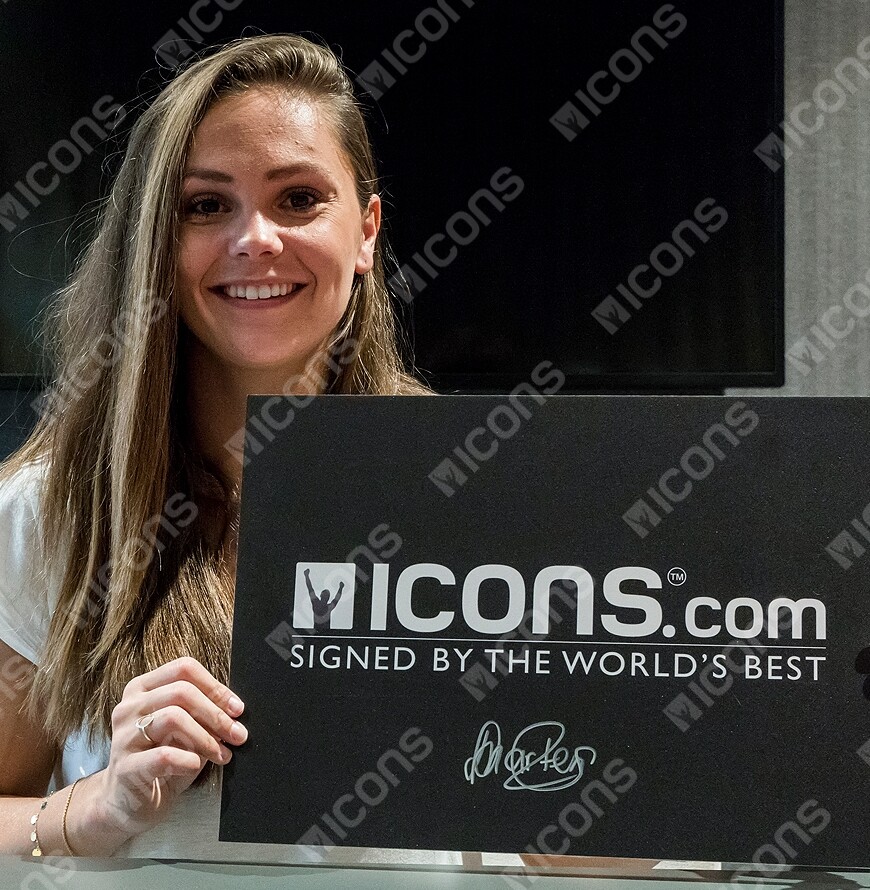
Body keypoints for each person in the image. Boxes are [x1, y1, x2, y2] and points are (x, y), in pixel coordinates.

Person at [0, 33, 437, 862]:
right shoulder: (49, 512)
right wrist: (93, 809)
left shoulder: (481, 487)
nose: (256, 239)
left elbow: (539, 828)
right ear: (155, 241)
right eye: (206, 206)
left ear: (368, 231)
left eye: (299, 198)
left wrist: (595, 842)